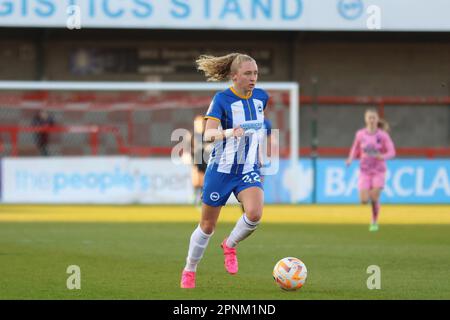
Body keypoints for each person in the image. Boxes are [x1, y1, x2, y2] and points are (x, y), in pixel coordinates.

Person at [180, 53, 269, 288]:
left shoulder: (262, 97)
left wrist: (259, 153)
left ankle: (229, 245)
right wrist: (230, 132)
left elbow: (258, 128)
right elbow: (208, 134)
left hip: (247, 168)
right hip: (221, 169)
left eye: (256, 73)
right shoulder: (222, 99)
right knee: (207, 226)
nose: (253, 78)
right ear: (234, 76)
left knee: (255, 213)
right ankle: (190, 268)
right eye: (248, 73)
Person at [346, 108, 396, 232]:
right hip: (364, 170)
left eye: (374, 117)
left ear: (377, 119)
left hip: (378, 170)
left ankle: (374, 221)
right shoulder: (360, 134)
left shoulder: (383, 135)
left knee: (374, 196)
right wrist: (350, 159)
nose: (372, 120)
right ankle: (373, 202)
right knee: (363, 200)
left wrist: (381, 156)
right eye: (369, 117)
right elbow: (355, 148)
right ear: (365, 119)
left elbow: (392, 152)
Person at [191, 115, 212, 208]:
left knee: (205, 182)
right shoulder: (194, 136)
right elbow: (191, 150)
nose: (200, 125)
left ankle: (203, 200)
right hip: (197, 161)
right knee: (197, 182)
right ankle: (196, 200)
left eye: (202, 123)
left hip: (207, 161)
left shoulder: (207, 135)